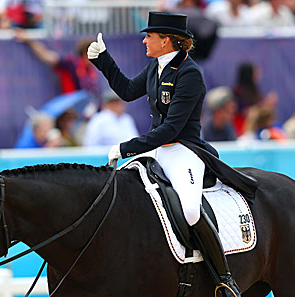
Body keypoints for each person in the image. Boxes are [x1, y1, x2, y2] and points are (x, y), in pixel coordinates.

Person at [87, 11, 242, 297]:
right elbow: (125, 90)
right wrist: (102, 60)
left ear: (167, 40)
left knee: (192, 210)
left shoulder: (190, 73)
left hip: (183, 149)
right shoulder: (155, 67)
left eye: (150, 36)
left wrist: (126, 147)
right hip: (156, 150)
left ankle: (224, 279)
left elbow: (171, 129)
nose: (144, 40)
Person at [15, 29, 100, 101]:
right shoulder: (71, 64)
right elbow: (47, 56)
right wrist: (30, 41)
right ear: (86, 52)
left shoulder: (92, 70)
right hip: (71, 109)